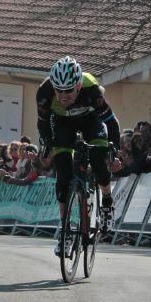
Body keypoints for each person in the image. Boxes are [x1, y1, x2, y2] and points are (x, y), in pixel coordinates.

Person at [36, 56, 120, 257]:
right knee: (63, 175)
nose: (63, 96)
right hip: (62, 123)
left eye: (68, 90)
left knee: (100, 162)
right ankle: (64, 232)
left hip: (90, 121)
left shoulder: (91, 90)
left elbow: (111, 121)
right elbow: (43, 123)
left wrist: (114, 149)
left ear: (79, 85)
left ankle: (107, 202)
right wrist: (47, 145)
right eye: (59, 90)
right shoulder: (45, 93)